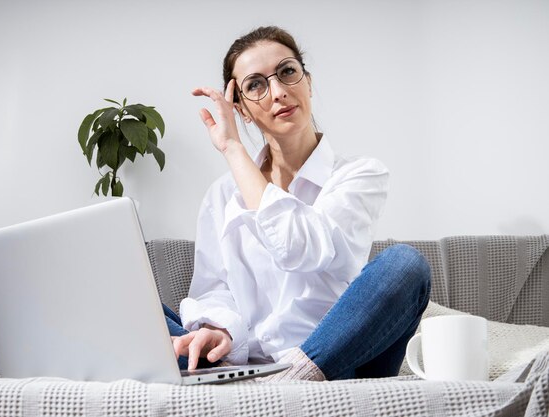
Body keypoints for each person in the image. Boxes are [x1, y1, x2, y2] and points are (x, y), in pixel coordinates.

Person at [166, 26, 431, 381]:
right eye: (255, 85)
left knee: (406, 265)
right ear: (241, 109)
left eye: (287, 72)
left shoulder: (360, 175)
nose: (278, 92)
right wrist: (221, 330)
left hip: (335, 362)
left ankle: (288, 383)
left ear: (307, 81)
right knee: (130, 303)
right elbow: (213, 288)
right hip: (242, 362)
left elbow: (297, 247)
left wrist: (233, 149)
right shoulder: (221, 194)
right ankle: (245, 380)